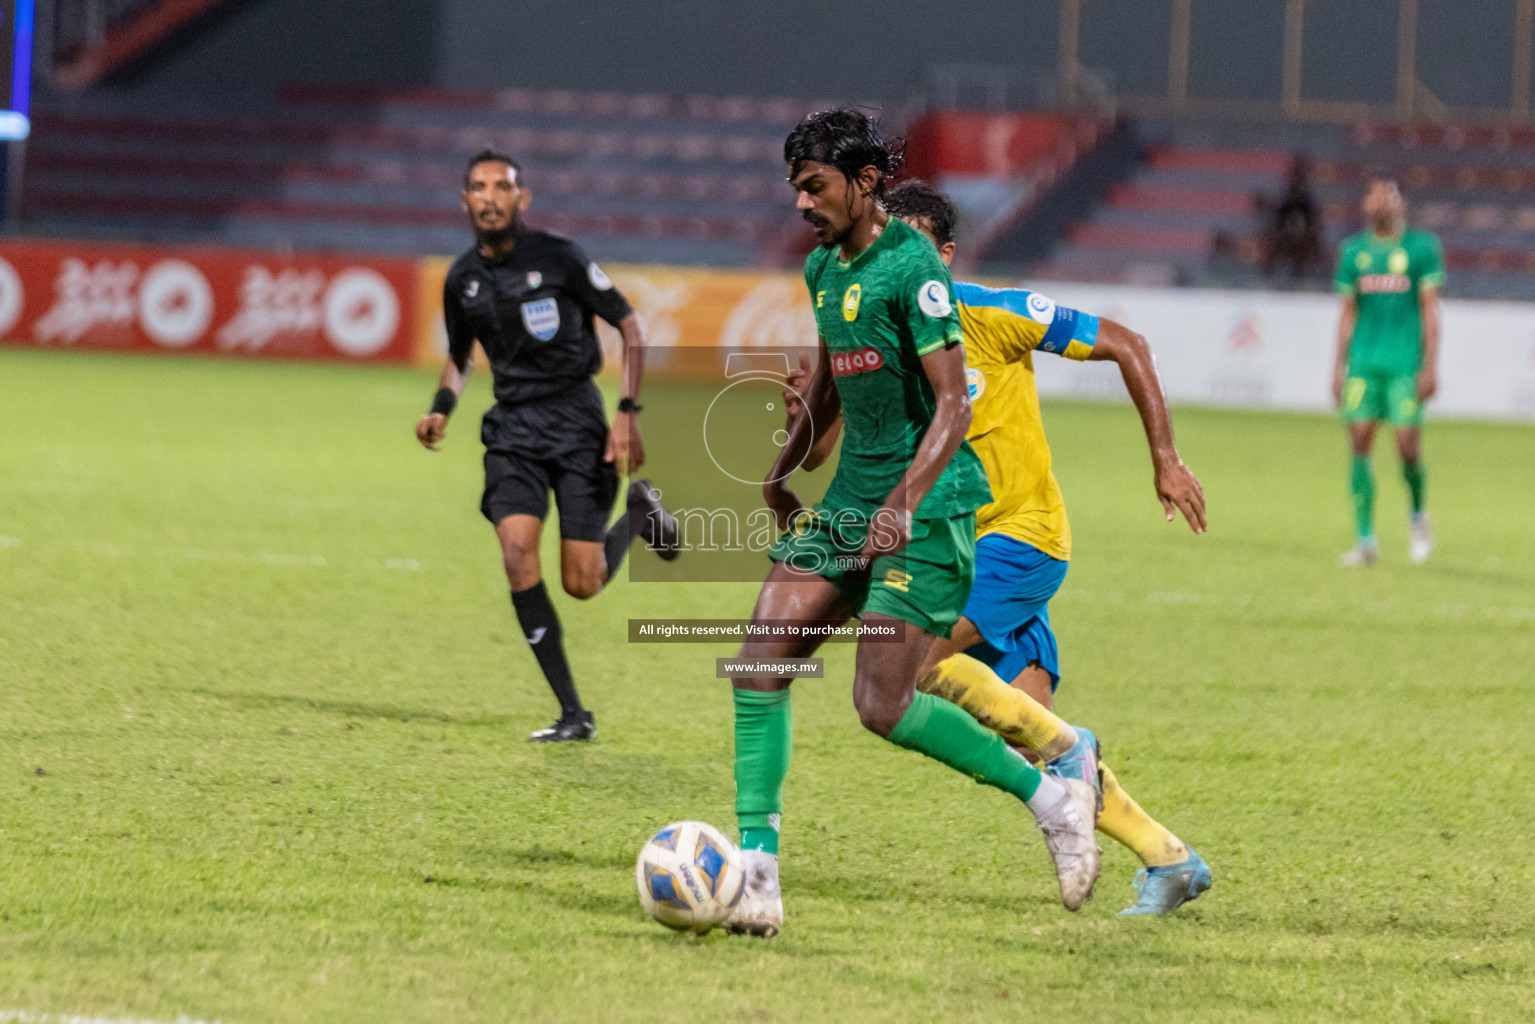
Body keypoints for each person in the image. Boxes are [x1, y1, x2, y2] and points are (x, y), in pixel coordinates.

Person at [720, 111, 1100, 941]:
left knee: (880, 706)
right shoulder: (824, 268)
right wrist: (781, 472)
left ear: (863, 182)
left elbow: (954, 404)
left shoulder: (913, 266)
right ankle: (756, 877)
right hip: (852, 500)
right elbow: (826, 386)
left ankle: (1052, 799)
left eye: (813, 185)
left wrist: (904, 503)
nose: (800, 203)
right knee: (757, 665)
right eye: (793, 188)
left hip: (929, 507)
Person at [785, 180, 1212, 915]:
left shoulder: (995, 313)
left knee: (909, 672)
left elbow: (1125, 342)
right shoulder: (878, 337)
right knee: (1026, 738)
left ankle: (1075, 749)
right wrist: (799, 412)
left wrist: (1165, 457)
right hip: (947, 549)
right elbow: (822, 452)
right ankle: (1169, 858)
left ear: (945, 256)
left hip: (1019, 539)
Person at [416, 149, 678, 743]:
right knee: (516, 551)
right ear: (464, 201)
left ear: (522, 198)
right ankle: (572, 714)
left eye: (501, 186)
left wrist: (627, 413)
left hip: (577, 422)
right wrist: (442, 406)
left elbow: (630, 325)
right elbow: (460, 357)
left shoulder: (559, 258)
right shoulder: (463, 279)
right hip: (513, 430)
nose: (490, 197)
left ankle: (640, 510)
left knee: (582, 583)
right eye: (478, 188)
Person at [1331, 176, 1444, 567]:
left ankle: (1418, 516)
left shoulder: (1421, 248)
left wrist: (1430, 366)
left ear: (1400, 202)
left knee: (1406, 445)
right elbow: (1347, 315)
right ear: (1365, 203)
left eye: (1389, 193)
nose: (1382, 200)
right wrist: (1337, 367)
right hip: (1363, 364)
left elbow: (1430, 312)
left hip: (1403, 366)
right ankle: (1365, 541)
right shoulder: (1353, 252)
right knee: (1360, 437)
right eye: (1376, 193)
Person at [1262, 155, 1323, 282]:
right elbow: (1276, 223)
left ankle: (1307, 281)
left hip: (1303, 239)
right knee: (1272, 247)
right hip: (1285, 238)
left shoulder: (1307, 203)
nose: (1295, 187)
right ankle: (1266, 281)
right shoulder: (1284, 204)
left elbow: (1315, 224)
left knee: (1309, 246)